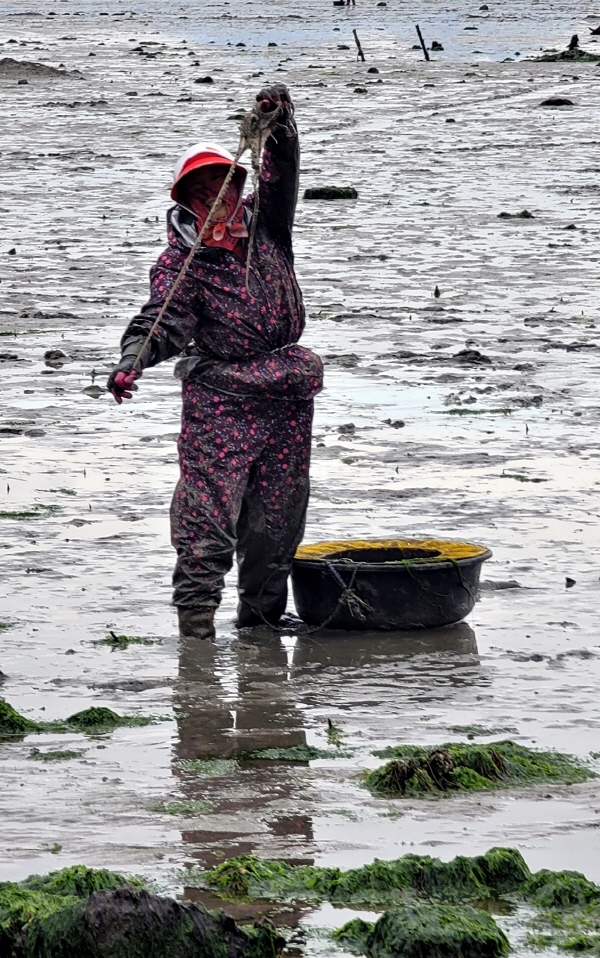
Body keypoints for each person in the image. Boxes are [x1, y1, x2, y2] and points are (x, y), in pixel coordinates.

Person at [107, 84, 323, 640]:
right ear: (185, 202)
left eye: (219, 187)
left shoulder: (267, 228)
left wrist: (278, 124)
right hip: (220, 401)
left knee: (276, 525)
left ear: (236, 188)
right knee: (205, 522)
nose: (214, 200)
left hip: (285, 399)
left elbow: (282, 177)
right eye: (200, 193)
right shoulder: (181, 263)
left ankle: (261, 631)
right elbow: (161, 319)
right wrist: (133, 362)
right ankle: (196, 640)